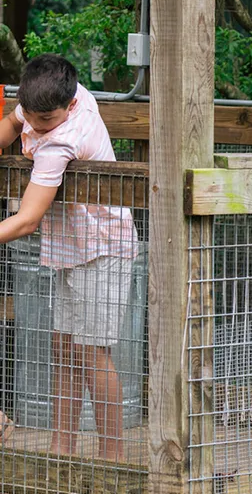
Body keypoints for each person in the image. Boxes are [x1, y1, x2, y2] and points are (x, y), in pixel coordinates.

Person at [0, 54, 138, 461]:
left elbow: (25, 220)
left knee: (94, 352)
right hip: (69, 246)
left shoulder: (62, 141)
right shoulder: (60, 94)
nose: (38, 127)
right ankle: (63, 449)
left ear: (70, 105)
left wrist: (34, 129)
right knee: (65, 348)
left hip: (102, 247)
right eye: (33, 117)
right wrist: (18, 119)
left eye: (47, 119)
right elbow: (12, 122)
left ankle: (112, 458)